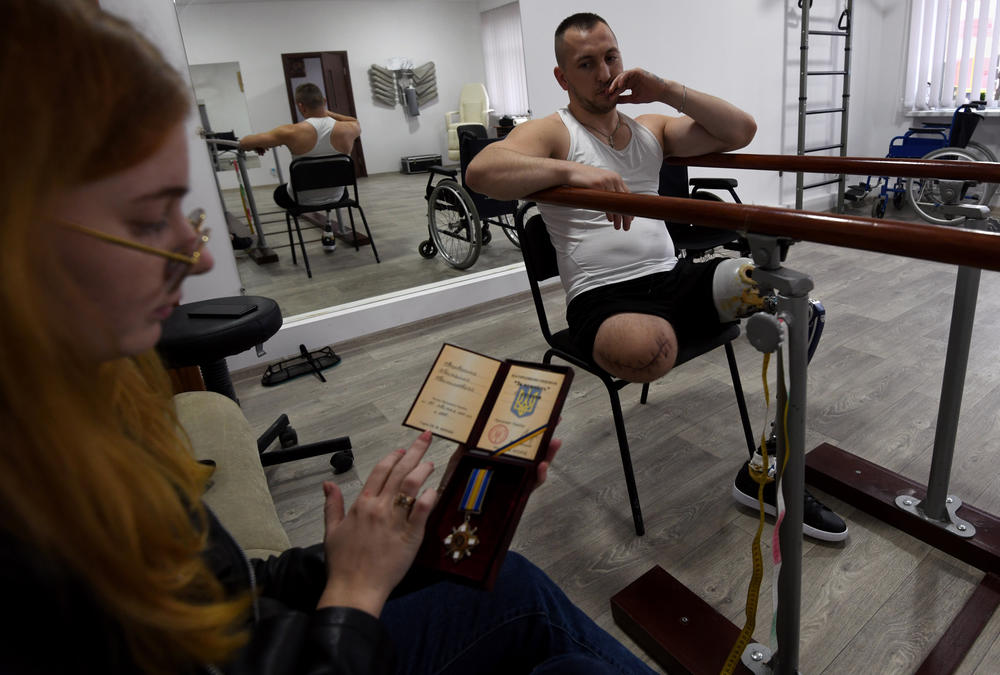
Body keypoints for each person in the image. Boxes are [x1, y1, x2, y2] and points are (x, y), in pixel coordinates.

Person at [0, 2, 662, 673]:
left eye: (184, 211)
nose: (198, 258)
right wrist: (353, 591)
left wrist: (389, 545)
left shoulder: (82, 422)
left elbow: (233, 596)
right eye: (147, 220)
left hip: (271, 631)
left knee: (514, 581)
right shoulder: (33, 527)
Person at [465, 12, 847, 542]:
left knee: (799, 302)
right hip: (602, 298)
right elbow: (482, 171)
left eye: (610, 57)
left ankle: (767, 468)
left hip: (675, 278)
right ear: (562, 77)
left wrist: (665, 90)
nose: (603, 72)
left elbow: (741, 130)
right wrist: (575, 173)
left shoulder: (651, 130)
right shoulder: (555, 131)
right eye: (585, 64)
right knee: (652, 350)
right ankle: (689, 331)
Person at [239, 82, 362, 252]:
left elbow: (244, 142)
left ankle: (325, 229)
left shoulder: (290, 132)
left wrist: (260, 144)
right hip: (338, 195)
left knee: (279, 193)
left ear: (300, 106)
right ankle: (328, 226)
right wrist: (327, 113)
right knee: (328, 183)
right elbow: (354, 120)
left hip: (301, 199)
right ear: (324, 101)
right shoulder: (349, 128)